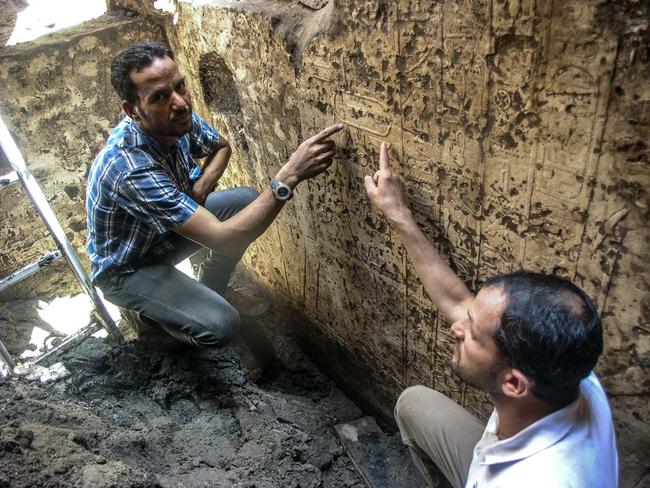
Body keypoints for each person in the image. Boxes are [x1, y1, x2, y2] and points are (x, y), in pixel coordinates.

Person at [363, 143, 618, 487]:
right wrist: (398, 214)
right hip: (498, 454)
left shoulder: (537, 480)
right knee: (414, 404)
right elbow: (457, 301)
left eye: (471, 334)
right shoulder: (570, 371)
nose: (456, 326)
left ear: (513, 383)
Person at [87, 41, 343, 348]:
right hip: (130, 267)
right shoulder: (129, 166)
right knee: (221, 325)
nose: (180, 102)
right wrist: (289, 176)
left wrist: (199, 188)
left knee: (246, 201)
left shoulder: (174, 116)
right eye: (159, 97)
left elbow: (220, 146)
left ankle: (213, 287)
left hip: (163, 234)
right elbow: (224, 238)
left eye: (180, 86)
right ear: (133, 111)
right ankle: (156, 331)